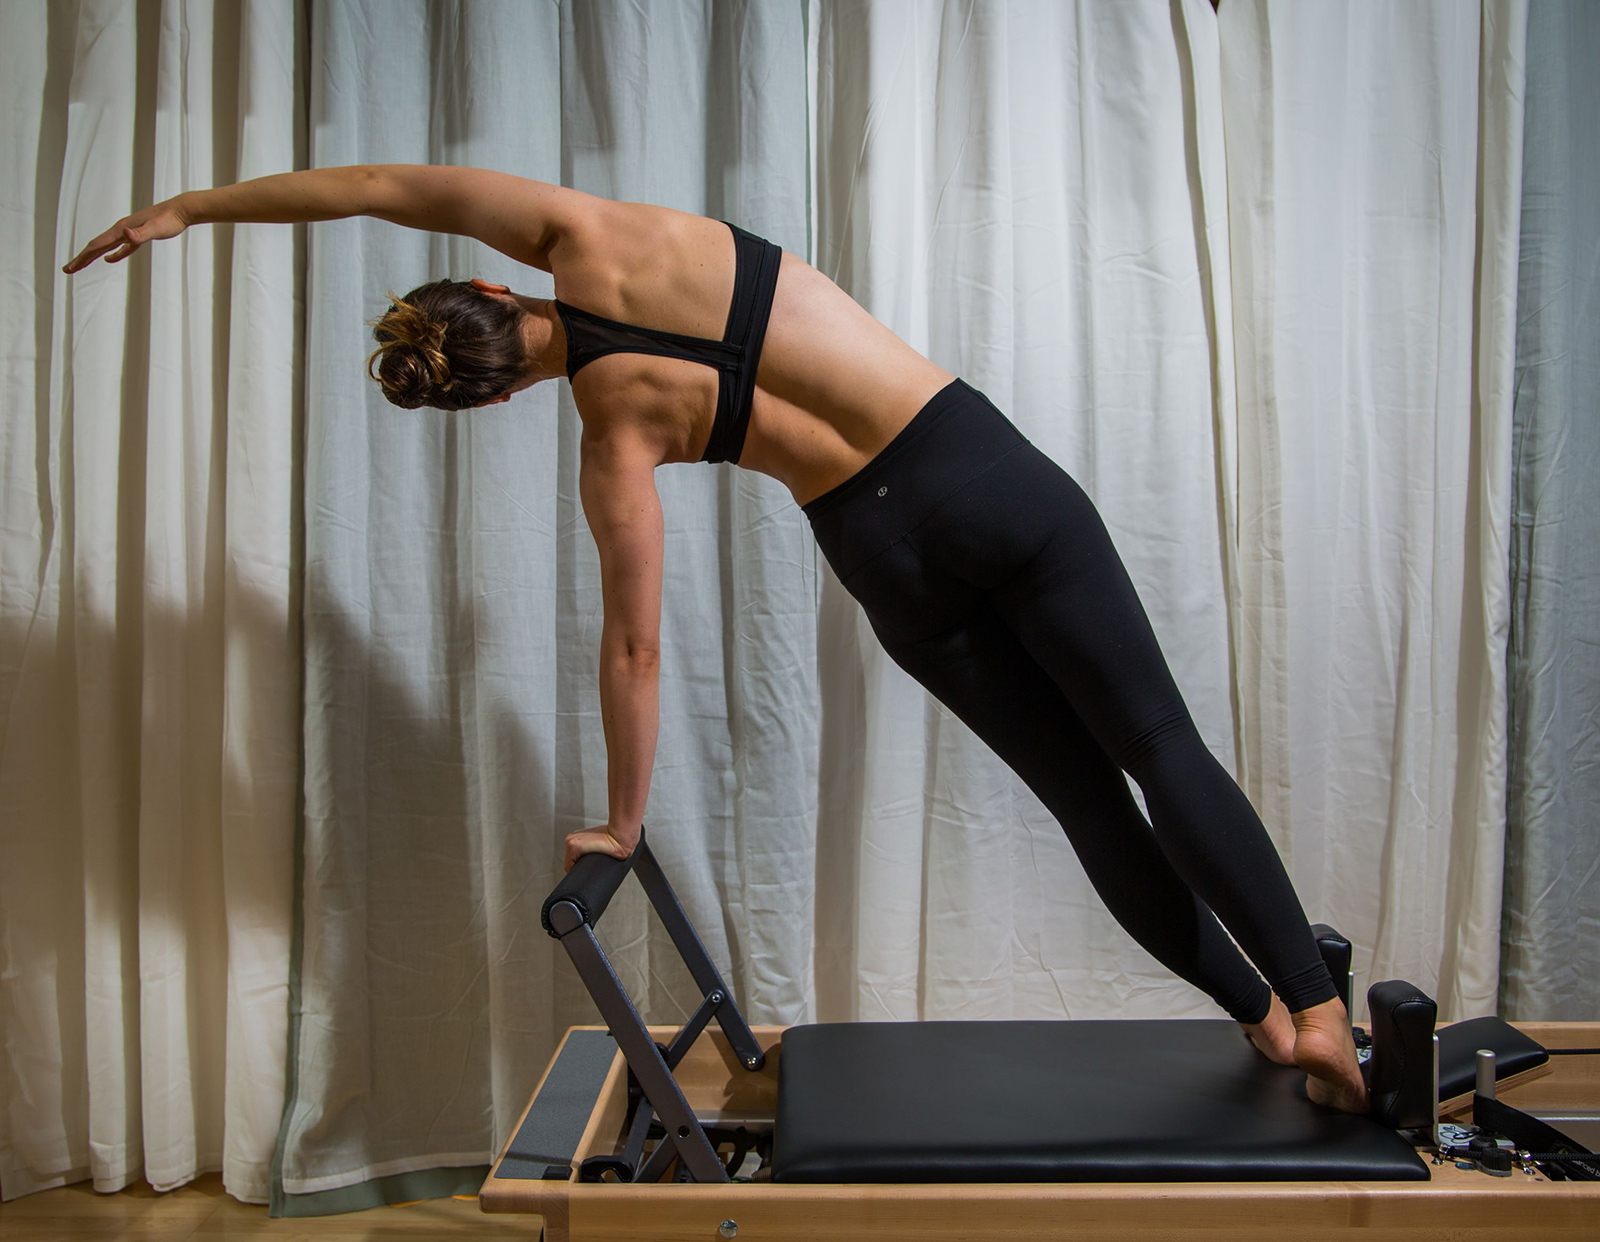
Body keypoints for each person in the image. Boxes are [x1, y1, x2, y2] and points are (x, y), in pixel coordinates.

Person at [65, 164, 1369, 1113]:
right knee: (1154, 741)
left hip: (880, 553)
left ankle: (1261, 1019)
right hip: (969, 468)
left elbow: (632, 650)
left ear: (495, 393)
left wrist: (622, 824)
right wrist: (196, 207)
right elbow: (382, 187)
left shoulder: (610, 435)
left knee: (1089, 802)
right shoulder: (585, 230)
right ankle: (1318, 1008)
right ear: (485, 280)